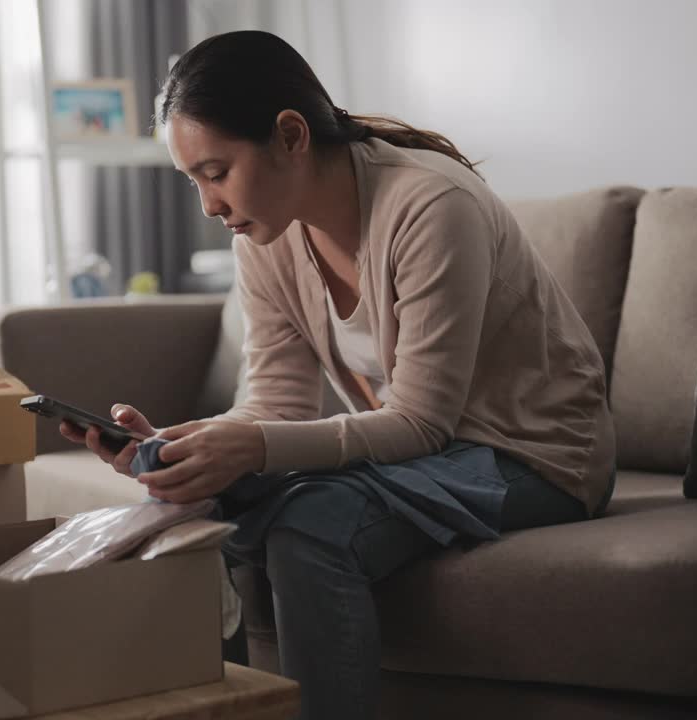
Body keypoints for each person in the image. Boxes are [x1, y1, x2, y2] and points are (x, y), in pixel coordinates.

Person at [60, 29, 617, 720]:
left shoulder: (432, 205)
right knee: (207, 501)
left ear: (290, 136)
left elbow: (421, 420)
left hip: (535, 455)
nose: (208, 205)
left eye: (216, 171)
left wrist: (253, 449)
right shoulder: (267, 230)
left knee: (311, 521)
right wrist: (185, 447)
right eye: (193, 180)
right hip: (434, 457)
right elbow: (277, 401)